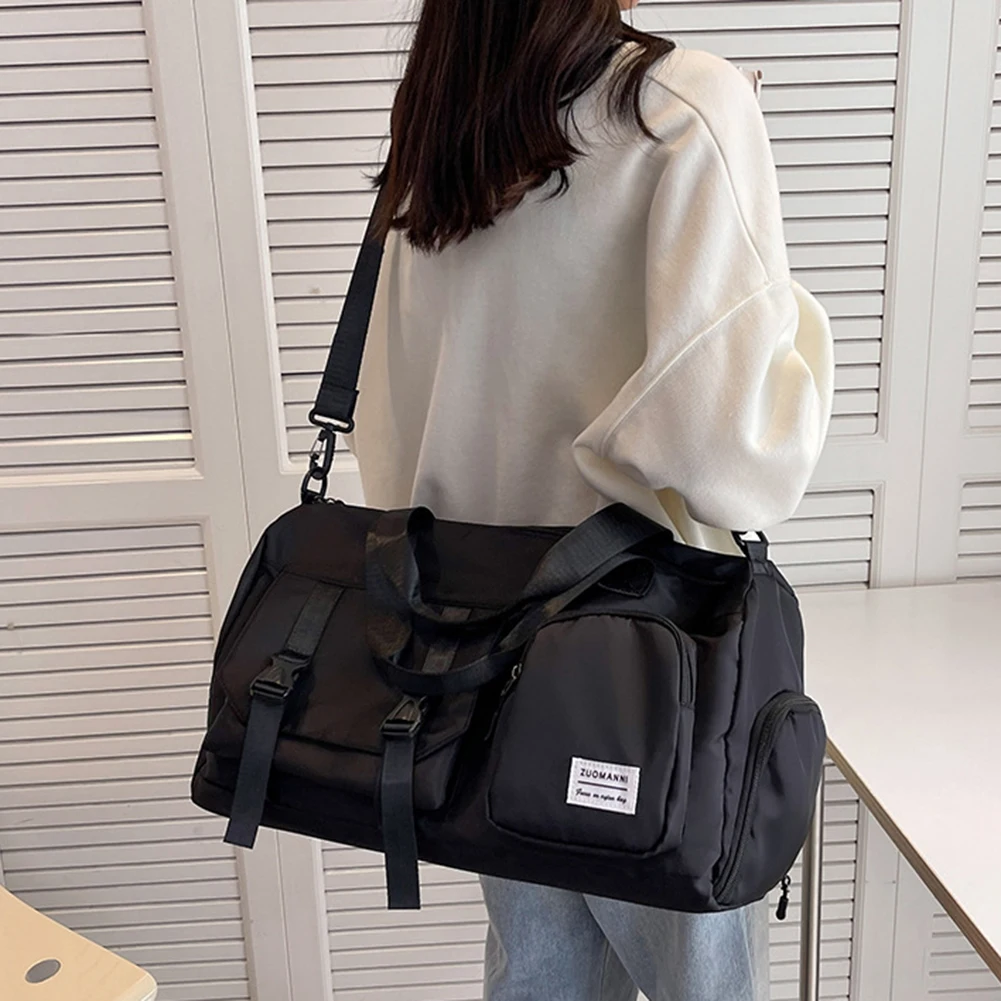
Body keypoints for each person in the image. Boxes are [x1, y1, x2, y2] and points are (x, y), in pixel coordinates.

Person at [343, 0, 835, 998]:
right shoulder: (683, 105)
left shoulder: (440, 129)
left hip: (474, 652)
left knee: (541, 976)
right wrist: (790, 320)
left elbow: (388, 432)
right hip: (650, 668)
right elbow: (736, 455)